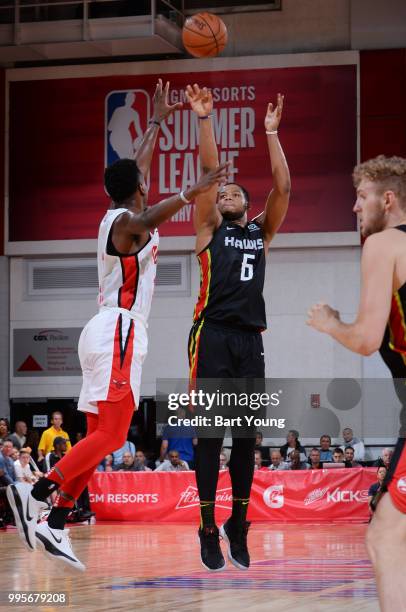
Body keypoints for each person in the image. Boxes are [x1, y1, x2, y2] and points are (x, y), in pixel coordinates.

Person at [6, 78, 228, 572]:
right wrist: (188, 193)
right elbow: (150, 210)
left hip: (107, 332)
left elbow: (139, 172)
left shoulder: (118, 210)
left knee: (98, 435)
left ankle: (56, 521)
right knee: (114, 435)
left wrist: (154, 121)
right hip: (119, 331)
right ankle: (37, 489)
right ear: (137, 192)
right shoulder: (127, 222)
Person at [186, 83, 290, 571]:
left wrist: (271, 134)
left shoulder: (260, 232)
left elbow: (283, 190)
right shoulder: (209, 230)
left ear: (246, 204)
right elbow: (208, 178)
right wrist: (205, 120)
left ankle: (238, 522)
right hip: (212, 336)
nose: (225, 193)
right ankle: (207, 526)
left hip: (250, 341)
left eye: (233, 192)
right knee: (210, 437)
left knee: (247, 439)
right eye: (222, 193)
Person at [307, 155, 406, 611]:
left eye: (362, 197)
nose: (354, 207)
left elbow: (366, 339)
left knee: (385, 537)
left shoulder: (384, 244)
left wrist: (330, 324)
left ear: (387, 200)